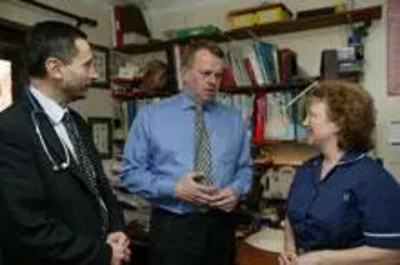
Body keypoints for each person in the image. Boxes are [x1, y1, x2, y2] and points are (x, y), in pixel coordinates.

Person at [0, 21, 130, 265]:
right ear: (55, 68)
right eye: (87, 65)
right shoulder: (10, 129)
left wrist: (116, 230)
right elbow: (26, 227)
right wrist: (102, 254)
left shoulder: (76, 122)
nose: (95, 73)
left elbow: (99, 188)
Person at [119, 40, 253, 265]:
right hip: (174, 227)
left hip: (222, 226)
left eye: (218, 75)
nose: (212, 81)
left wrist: (237, 191)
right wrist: (174, 188)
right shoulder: (150, 117)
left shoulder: (234, 119)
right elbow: (131, 174)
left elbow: (245, 169)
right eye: (205, 73)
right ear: (184, 74)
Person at [280, 80, 400, 265]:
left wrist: (321, 259)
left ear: (338, 124)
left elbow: (392, 253)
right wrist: (289, 250)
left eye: (312, 116)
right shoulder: (305, 170)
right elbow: (291, 217)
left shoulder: (373, 178)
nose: (304, 122)